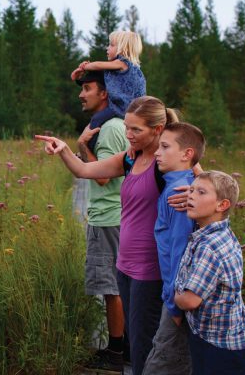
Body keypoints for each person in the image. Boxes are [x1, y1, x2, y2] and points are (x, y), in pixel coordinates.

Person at [36, 96, 176, 375]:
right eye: (127, 127)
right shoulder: (130, 158)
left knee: (146, 344)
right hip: (125, 266)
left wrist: (192, 193)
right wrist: (64, 149)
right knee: (135, 342)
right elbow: (85, 170)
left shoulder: (167, 163)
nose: (128, 135)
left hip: (151, 269)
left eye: (136, 130)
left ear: (158, 130)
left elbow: (205, 183)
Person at [69, 71, 128, 374]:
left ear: (105, 94)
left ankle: (115, 353)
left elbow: (103, 176)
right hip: (121, 216)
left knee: (111, 287)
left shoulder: (106, 131)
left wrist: (82, 147)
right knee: (122, 284)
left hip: (108, 217)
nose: (82, 94)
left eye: (88, 88)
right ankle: (128, 348)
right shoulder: (120, 126)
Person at [174, 171, 245, 375]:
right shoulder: (217, 232)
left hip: (220, 347)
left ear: (222, 205)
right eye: (191, 190)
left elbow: (191, 301)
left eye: (201, 192)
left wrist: (174, 295)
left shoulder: (210, 246)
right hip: (220, 338)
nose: (191, 195)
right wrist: (199, 193)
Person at [143, 122, 206, 374]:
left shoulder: (179, 194)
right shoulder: (184, 183)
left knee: (162, 363)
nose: (157, 153)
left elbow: (179, 254)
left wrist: (173, 303)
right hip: (175, 293)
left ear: (187, 154)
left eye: (165, 147)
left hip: (177, 297)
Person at [71, 30, 146, 151]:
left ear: (122, 49)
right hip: (132, 109)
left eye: (111, 45)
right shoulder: (126, 69)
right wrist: (79, 74)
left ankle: (90, 148)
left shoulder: (122, 63)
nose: (107, 48)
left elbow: (98, 65)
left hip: (122, 108)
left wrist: (85, 66)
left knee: (95, 121)